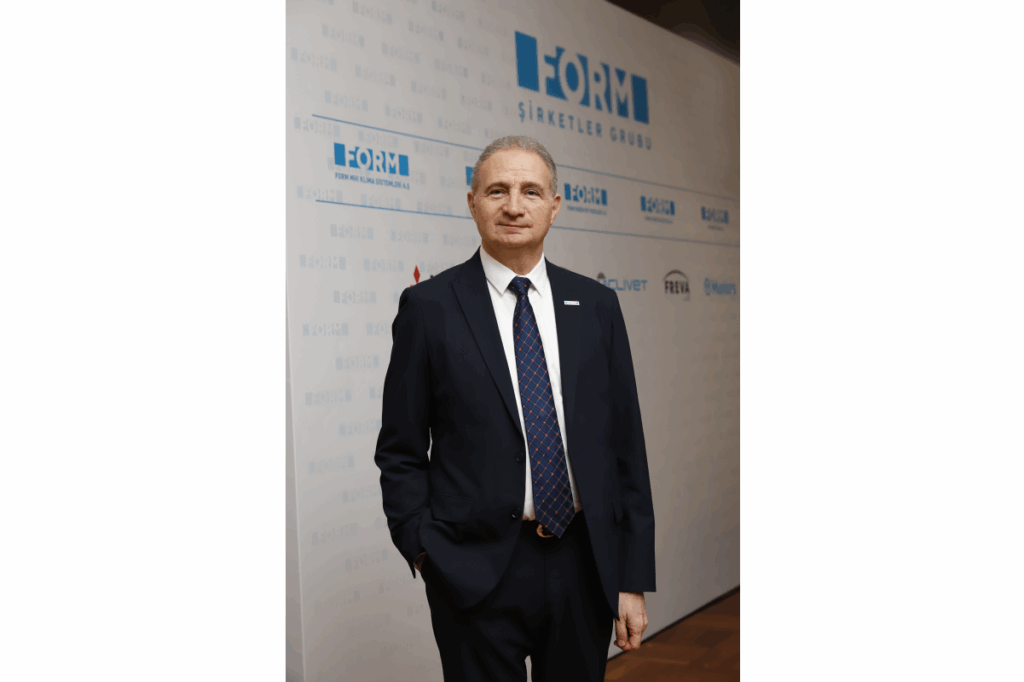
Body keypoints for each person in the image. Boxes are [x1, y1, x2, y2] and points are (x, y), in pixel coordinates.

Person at [374, 135, 655, 681]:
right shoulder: (428, 308)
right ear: (472, 202)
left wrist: (631, 576)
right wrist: (425, 551)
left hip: (583, 564)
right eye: (497, 190)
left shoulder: (596, 305)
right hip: (472, 571)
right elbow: (400, 449)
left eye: (531, 191)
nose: (513, 206)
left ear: (555, 205)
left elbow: (626, 450)